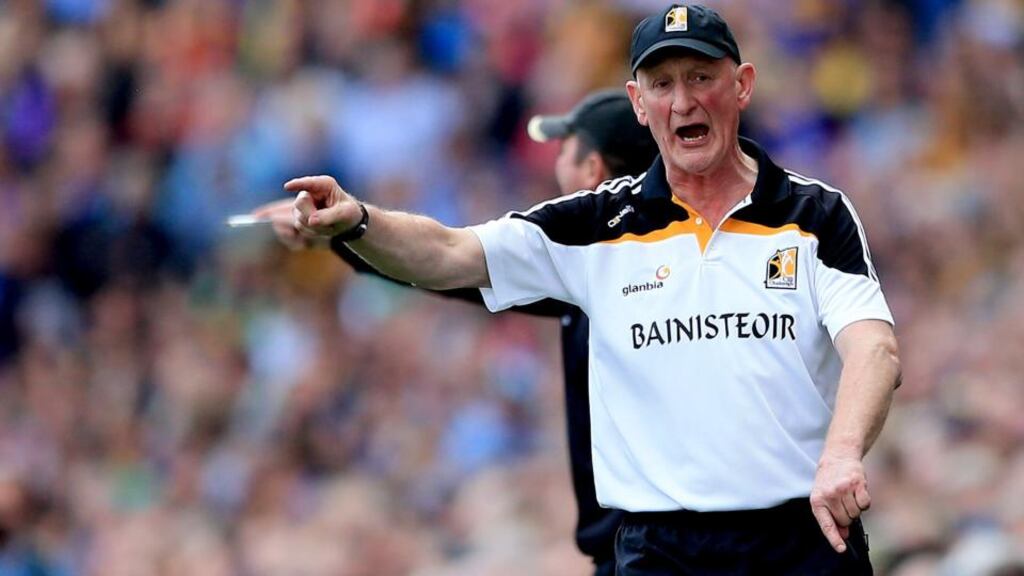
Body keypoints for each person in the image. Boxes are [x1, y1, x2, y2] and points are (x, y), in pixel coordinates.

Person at [286, 4, 901, 574]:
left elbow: (874, 348)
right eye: (662, 84)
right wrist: (359, 220)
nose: (683, 100)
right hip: (663, 551)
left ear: (741, 84)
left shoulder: (815, 214)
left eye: (700, 76)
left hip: (804, 535)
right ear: (639, 102)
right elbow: (449, 252)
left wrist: (842, 455)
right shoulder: (593, 226)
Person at [254, 89, 660, 575]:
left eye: (564, 149)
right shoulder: (633, 260)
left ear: (592, 169)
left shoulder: (604, 265)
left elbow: (445, 261)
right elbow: (442, 267)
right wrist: (340, 237)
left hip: (655, 554)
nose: (554, 165)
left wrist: (346, 230)